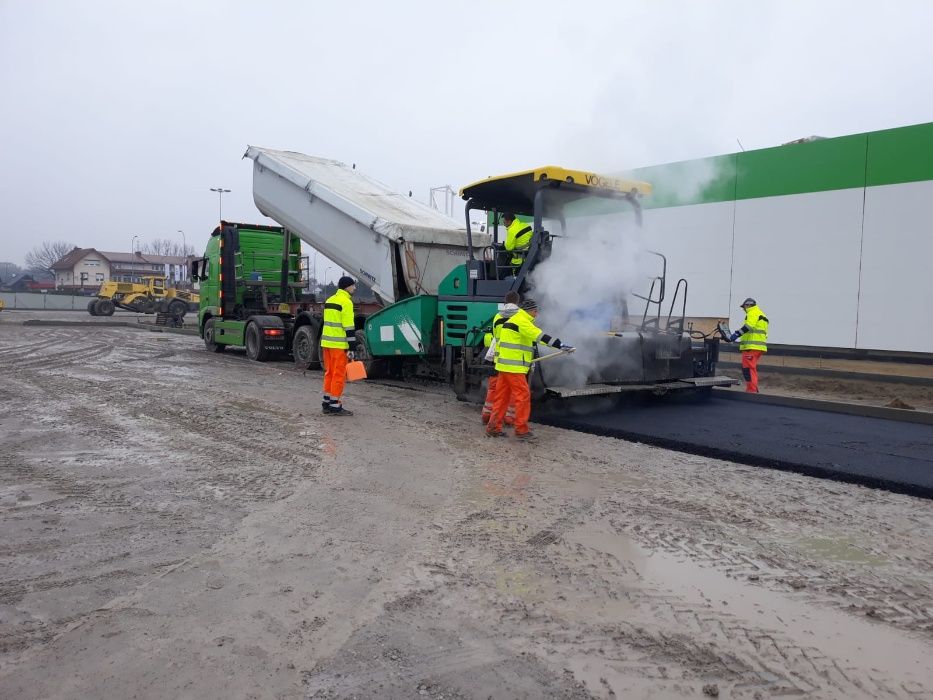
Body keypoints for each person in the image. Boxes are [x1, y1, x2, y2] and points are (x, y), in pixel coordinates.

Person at [486, 298, 574, 440]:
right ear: (529, 311)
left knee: (502, 397)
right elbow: (540, 336)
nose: (537, 313)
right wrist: (561, 345)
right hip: (514, 367)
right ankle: (521, 430)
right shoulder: (522, 321)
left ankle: (493, 428)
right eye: (535, 311)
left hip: (504, 365)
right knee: (523, 395)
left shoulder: (515, 319)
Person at [481, 290, 521, 426]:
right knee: (513, 390)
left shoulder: (497, 317)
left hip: (497, 359)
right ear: (517, 302)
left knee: (494, 388)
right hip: (514, 361)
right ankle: (509, 417)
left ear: (505, 301)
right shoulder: (521, 317)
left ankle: (487, 414)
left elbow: (496, 338)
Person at [320, 276, 358, 415]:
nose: (354, 288)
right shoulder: (346, 302)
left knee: (329, 372)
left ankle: (326, 402)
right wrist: (352, 347)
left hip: (327, 343)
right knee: (339, 374)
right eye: (353, 286)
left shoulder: (329, 300)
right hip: (338, 345)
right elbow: (348, 326)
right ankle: (335, 405)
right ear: (347, 287)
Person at [729, 297, 769, 393]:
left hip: (751, 347)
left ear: (748, 305)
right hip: (758, 347)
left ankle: (751, 391)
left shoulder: (753, 312)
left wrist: (736, 334)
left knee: (748, 369)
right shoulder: (761, 314)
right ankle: (753, 389)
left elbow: (748, 326)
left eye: (744, 307)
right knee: (750, 368)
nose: (744, 309)